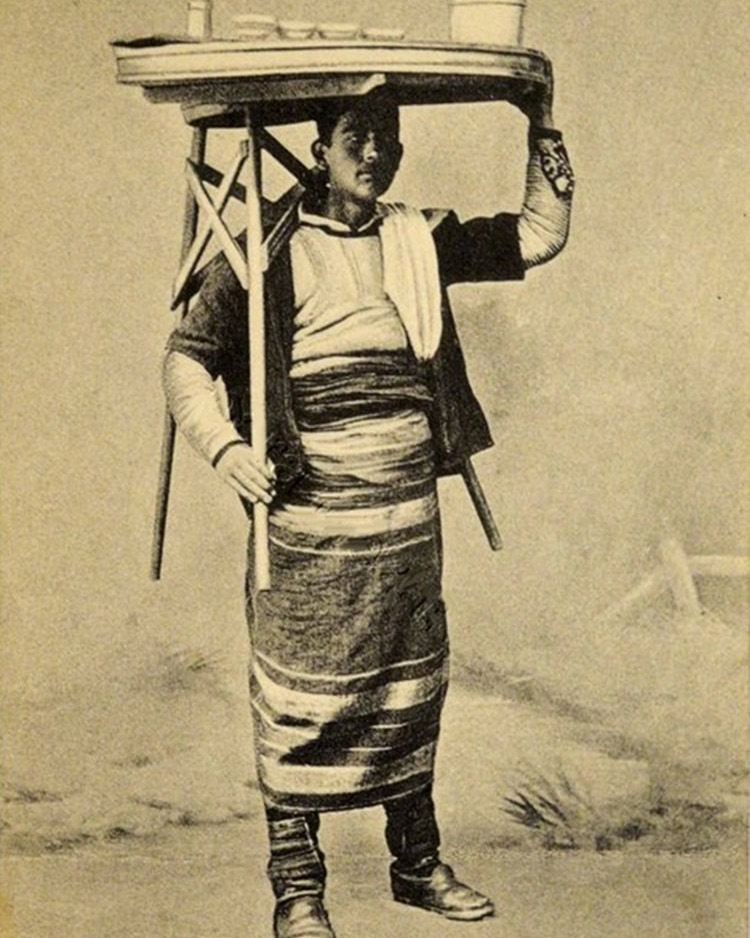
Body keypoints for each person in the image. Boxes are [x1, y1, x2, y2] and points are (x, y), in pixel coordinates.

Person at [163, 84, 573, 938]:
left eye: (388, 138)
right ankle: (298, 889)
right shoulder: (262, 246)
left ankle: (417, 867)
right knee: (301, 700)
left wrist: (543, 127)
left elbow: (538, 237)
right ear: (321, 148)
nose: (376, 153)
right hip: (307, 519)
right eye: (358, 135)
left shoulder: (417, 237)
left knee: (409, 687)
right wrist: (227, 450)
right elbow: (187, 359)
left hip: (404, 516)